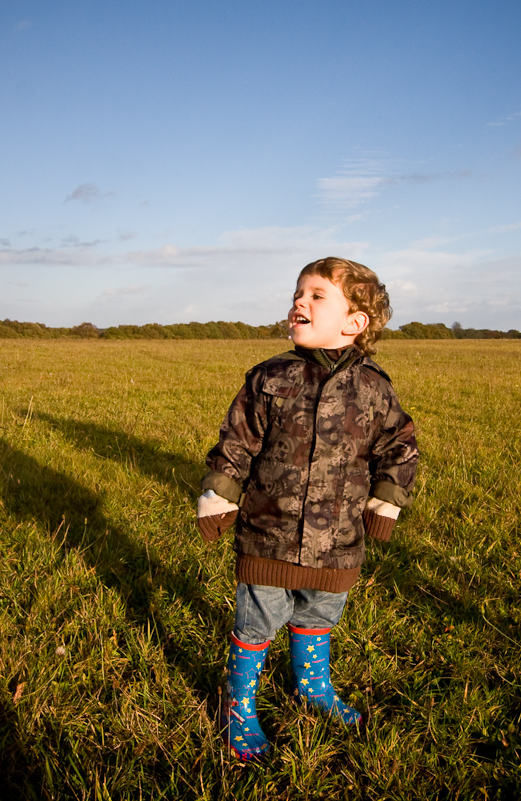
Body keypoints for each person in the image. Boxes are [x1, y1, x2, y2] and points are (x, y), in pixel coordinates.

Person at [196, 257, 418, 760]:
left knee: (320, 611)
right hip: (269, 530)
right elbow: (237, 441)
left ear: (354, 322)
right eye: (299, 292)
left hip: (339, 539)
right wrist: (219, 490)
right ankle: (239, 704)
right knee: (258, 617)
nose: (300, 301)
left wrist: (389, 496)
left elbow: (399, 446)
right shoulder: (270, 377)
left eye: (317, 295)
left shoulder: (375, 388)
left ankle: (313, 686)